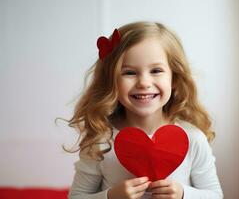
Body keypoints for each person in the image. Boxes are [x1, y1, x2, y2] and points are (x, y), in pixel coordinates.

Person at [67, 21, 223, 199]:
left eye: (156, 70)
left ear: (174, 79)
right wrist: (111, 196)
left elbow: (214, 195)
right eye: (129, 73)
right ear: (111, 81)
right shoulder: (100, 141)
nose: (144, 82)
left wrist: (183, 194)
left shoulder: (193, 138)